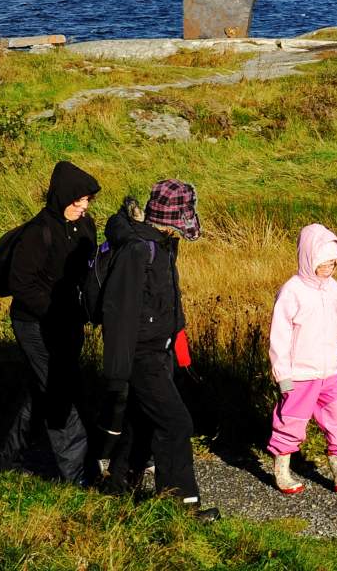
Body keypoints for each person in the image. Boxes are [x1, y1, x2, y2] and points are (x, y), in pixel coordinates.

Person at [99, 178, 213, 517]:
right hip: (141, 354)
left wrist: (177, 343)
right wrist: (117, 374)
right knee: (176, 423)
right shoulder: (139, 250)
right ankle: (180, 506)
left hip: (160, 349)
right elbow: (120, 312)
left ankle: (118, 484)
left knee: (143, 419)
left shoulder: (161, 243)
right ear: (171, 219)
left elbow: (163, 303)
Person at [0, 160, 100, 486]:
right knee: (60, 393)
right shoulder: (37, 232)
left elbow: (88, 273)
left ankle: (7, 461)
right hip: (34, 325)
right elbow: (21, 284)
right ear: (62, 197)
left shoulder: (86, 227)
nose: (84, 206)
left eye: (87, 200)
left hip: (70, 324)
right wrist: (56, 311)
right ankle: (79, 479)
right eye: (78, 200)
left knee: (40, 390)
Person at [267, 222, 337, 495]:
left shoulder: (333, 289)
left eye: (333, 263)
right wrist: (283, 375)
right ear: (308, 258)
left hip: (330, 372)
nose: (328, 268)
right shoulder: (292, 292)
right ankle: (282, 471)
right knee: (291, 421)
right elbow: (279, 336)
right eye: (323, 263)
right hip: (300, 375)